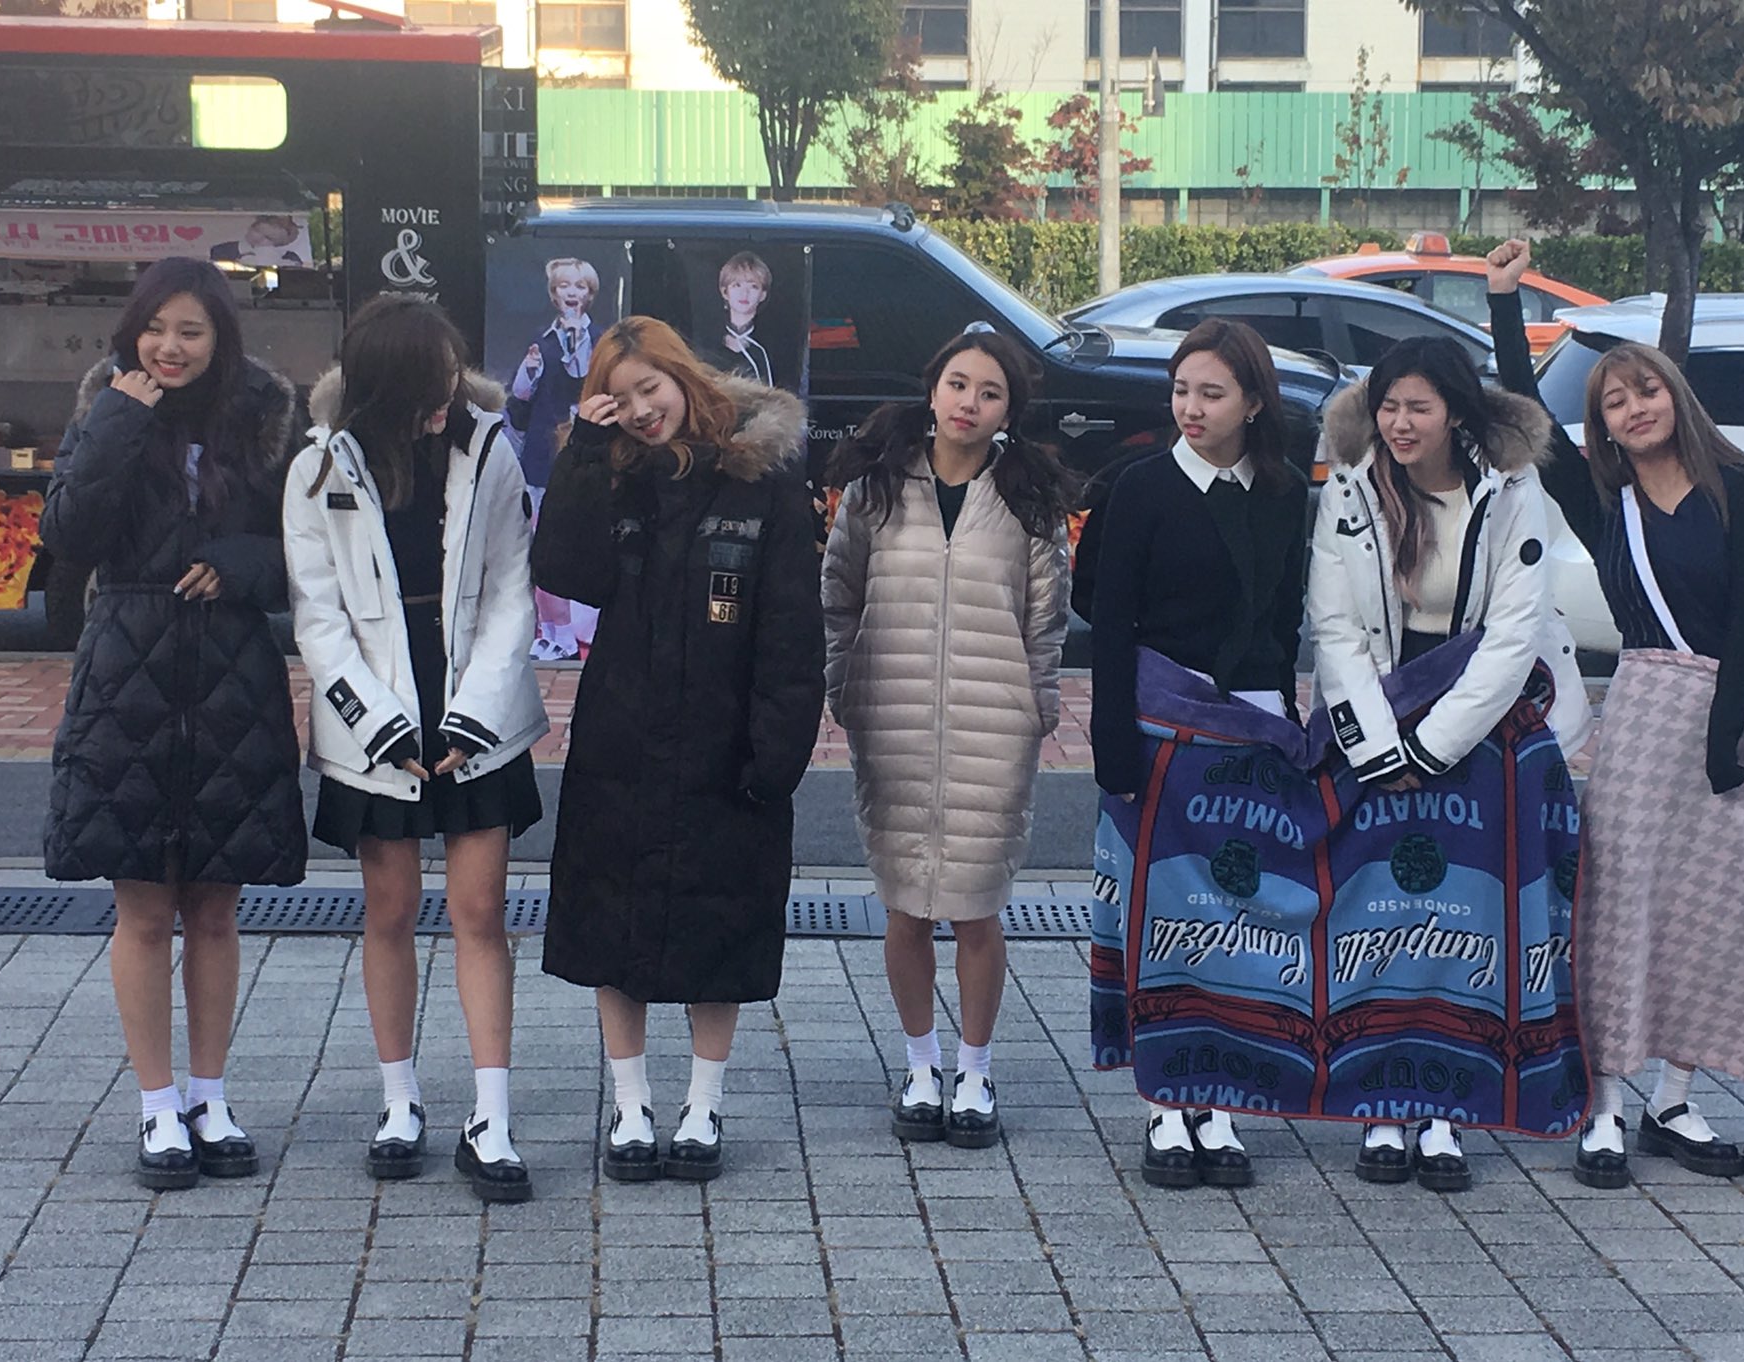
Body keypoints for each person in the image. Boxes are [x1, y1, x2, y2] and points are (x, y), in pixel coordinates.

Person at [1484, 240, 1744, 1190]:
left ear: (1675, 396)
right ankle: (1604, 1102)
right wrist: (1504, 302)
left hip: (1733, 717)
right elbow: (1525, 411)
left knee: (1707, 911)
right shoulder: (1603, 498)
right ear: (1603, 425)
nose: (1634, 408)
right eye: (1614, 402)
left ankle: (1675, 1096)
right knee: (1617, 906)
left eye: (1646, 390)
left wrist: (1728, 737)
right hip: (1645, 713)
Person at [533, 316, 823, 1184]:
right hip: (621, 733)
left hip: (724, 739)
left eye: (649, 388)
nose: (640, 409)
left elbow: (791, 624)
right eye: (618, 398)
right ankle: (630, 1105)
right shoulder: (614, 474)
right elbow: (566, 571)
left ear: (683, 376)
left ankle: (703, 1103)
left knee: (718, 920)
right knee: (609, 921)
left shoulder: (761, 476)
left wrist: (779, 745)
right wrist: (585, 453)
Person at [1305, 333, 1593, 1193]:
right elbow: (1334, 628)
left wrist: (1433, 748)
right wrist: (1377, 748)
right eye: (1388, 407)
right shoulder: (1350, 482)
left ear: (1455, 413)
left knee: (1463, 917)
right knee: (1374, 914)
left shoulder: (1512, 488)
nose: (1399, 424)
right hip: (1376, 715)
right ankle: (1381, 1103)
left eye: (1418, 408)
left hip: (1478, 723)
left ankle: (1445, 1108)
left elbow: (1513, 632)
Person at [41, 256, 306, 1190]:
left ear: (219, 335)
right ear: (134, 330)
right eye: (157, 328)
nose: (171, 347)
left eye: (191, 330)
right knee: (145, 908)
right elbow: (67, 536)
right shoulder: (105, 405)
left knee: (217, 909)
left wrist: (246, 562)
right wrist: (119, 417)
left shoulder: (266, 414)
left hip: (233, 677)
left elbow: (307, 546)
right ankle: (157, 1105)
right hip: (129, 675)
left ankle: (209, 1095)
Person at [283, 295, 548, 1203]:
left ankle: (491, 1116)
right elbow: (318, 618)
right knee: (389, 909)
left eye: (452, 371)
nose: (448, 391)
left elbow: (514, 591)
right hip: (377, 710)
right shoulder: (319, 465)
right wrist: (378, 724)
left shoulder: (489, 448)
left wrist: (475, 715)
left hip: (475, 702)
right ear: (384, 384)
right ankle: (399, 1102)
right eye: (430, 378)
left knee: (481, 911)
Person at [822, 330, 1073, 1150]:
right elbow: (839, 595)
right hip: (891, 717)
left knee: (975, 912)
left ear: (1009, 410)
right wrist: (843, 683)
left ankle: (975, 1069)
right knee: (904, 907)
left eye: (990, 392)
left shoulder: (1028, 499)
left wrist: (1036, 704)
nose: (970, 402)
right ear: (932, 390)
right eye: (958, 384)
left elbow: (1046, 617)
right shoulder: (876, 489)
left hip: (994, 726)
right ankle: (921, 1064)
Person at [1087, 318, 1306, 1189]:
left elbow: (1286, 616)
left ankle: (1221, 1098)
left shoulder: (1283, 491)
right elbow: (1108, 622)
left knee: (1241, 915)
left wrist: (1287, 718)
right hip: (1158, 727)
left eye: (1212, 393)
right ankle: (1164, 1100)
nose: (1191, 407)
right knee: (1162, 915)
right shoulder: (1140, 487)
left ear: (1253, 402)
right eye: (1182, 390)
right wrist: (1112, 745)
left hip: (1253, 729)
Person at [509, 257, 600, 661]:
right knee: (540, 548)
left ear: (589, 294)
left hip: (581, 456)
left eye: (579, 286)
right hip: (541, 458)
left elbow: (585, 380)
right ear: (554, 293)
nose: (572, 293)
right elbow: (519, 403)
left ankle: (574, 631)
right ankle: (552, 633)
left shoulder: (600, 340)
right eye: (565, 286)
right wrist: (529, 372)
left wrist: (578, 342)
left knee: (573, 545)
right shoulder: (541, 340)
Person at [715, 251, 775, 386]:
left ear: (762, 295)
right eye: (737, 285)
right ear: (725, 292)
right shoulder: (709, 345)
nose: (744, 293)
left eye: (753, 287)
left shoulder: (765, 349)